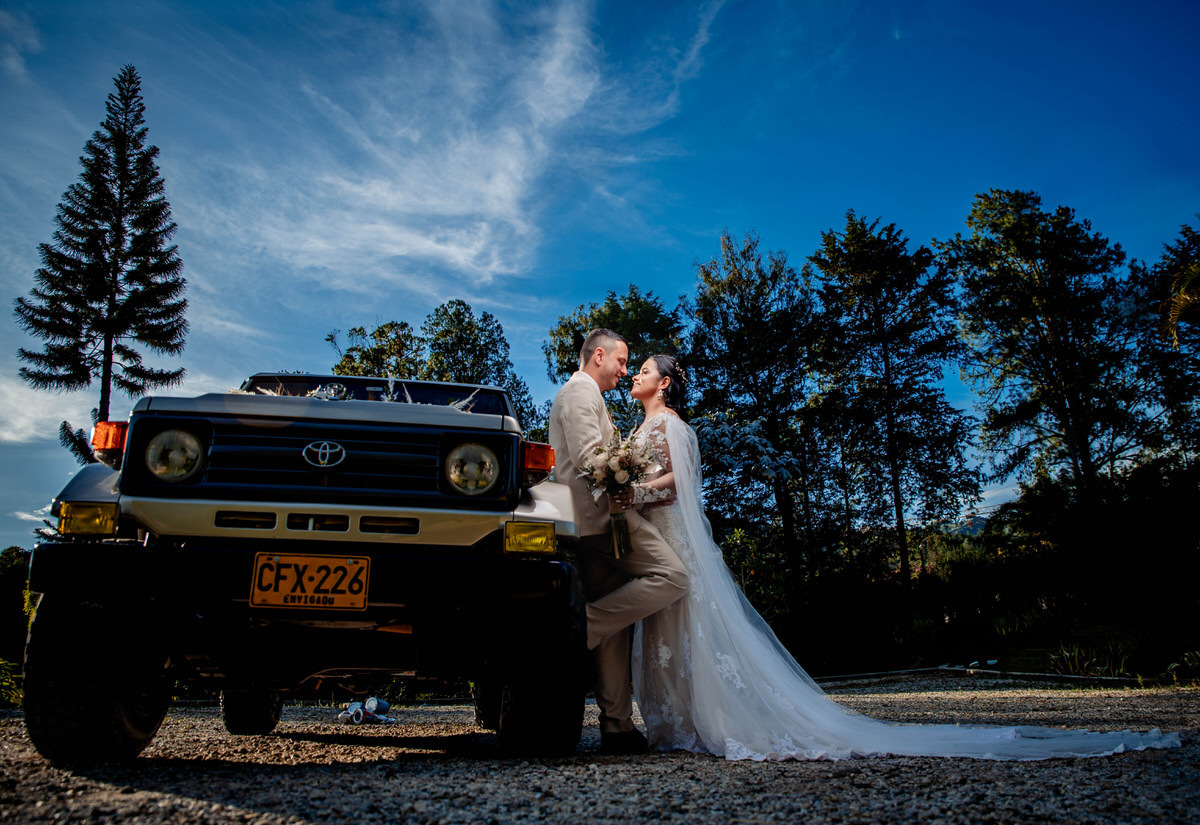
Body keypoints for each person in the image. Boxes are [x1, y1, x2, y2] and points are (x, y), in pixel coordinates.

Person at [624, 354, 1181, 761]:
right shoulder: (639, 426)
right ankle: (672, 724)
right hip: (652, 536)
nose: (637, 377)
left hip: (674, 534)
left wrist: (633, 492)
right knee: (664, 628)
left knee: (689, 624)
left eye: (644, 370)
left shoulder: (673, 425)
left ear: (665, 383)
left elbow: (678, 483)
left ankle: (700, 723)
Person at [548, 329, 689, 755]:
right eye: (623, 362)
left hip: (598, 524)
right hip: (603, 523)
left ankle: (617, 727)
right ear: (599, 356)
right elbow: (593, 459)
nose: (625, 371)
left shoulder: (592, 397)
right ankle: (578, 628)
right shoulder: (578, 393)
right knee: (673, 575)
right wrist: (624, 473)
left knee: (616, 630)